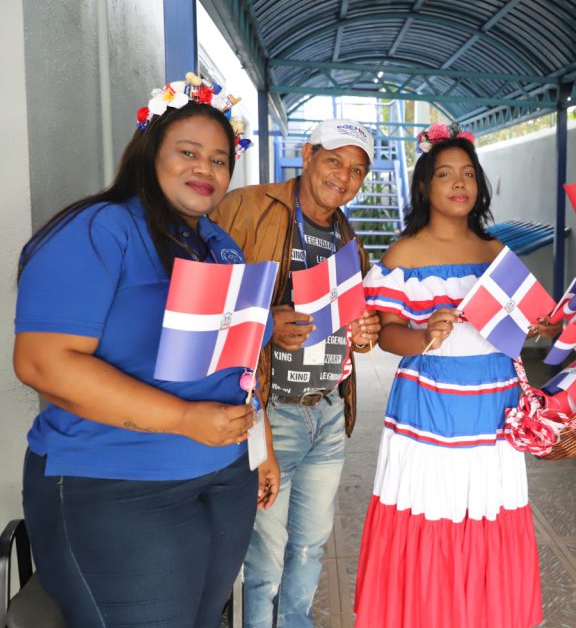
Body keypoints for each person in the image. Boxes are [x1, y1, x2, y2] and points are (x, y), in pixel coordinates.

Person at [13, 76, 279, 627]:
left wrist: (261, 447)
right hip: (118, 486)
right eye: (189, 152)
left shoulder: (219, 245)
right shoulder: (98, 230)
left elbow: (238, 360)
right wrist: (183, 418)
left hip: (223, 476)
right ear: (149, 153)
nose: (206, 169)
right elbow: (43, 363)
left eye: (219, 160)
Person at [354, 123, 544, 628]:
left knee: (487, 504)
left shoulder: (496, 252)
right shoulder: (403, 255)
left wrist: (544, 323)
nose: (460, 183)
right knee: (432, 504)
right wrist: (423, 337)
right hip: (429, 410)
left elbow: (522, 322)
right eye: (445, 174)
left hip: (495, 407)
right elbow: (386, 334)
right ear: (424, 186)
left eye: (468, 173)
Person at [210, 117, 381, 628]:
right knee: (265, 557)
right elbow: (206, 300)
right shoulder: (247, 207)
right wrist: (267, 322)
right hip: (272, 412)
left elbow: (354, 323)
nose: (344, 177)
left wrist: (364, 332)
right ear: (308, 155)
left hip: (327, 411)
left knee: (309, 546)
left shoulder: (349, 240)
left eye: (357, 170)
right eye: (334, 160)